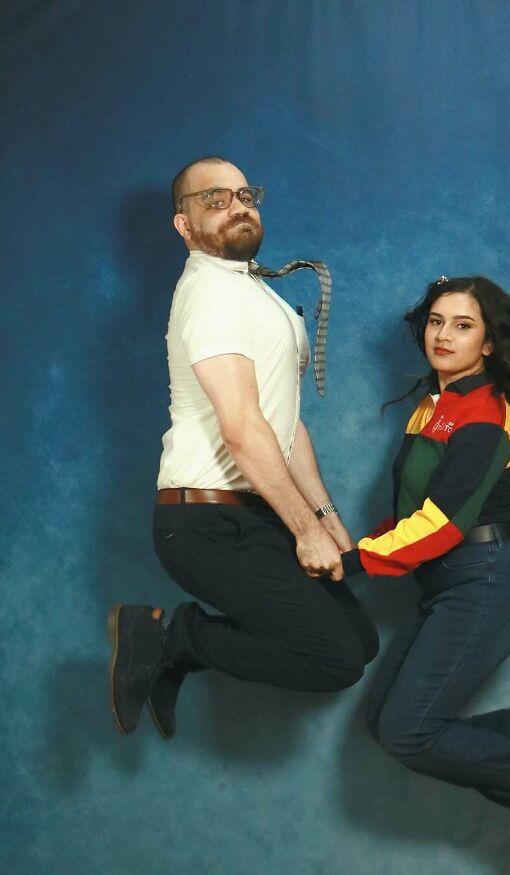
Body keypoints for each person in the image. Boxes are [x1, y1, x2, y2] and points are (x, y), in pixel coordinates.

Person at [108, 156, 377, 740]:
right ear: (184, 225)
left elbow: (286, 425)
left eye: (245, 194)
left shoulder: (256, 293)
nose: (238, 207)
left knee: (361, 639)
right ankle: (173, 638)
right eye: (215, 199)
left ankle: (179, 649)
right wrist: (303, 529)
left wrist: (325, 516)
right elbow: (241, 427)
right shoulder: (210, 294)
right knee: (336, 659)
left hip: (255, 512)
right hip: (205, 521)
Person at [340, 276, 510, 870]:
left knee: (409, 733)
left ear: (488, 343)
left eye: (463, 325)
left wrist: (350, 564)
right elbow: (413, 517)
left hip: (490, 579)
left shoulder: (483, 414)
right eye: (436, 322)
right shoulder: (435, 408)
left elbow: (443, 525)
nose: (443, 335)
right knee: (386, 724)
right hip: (453, 582)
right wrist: (356, 547)